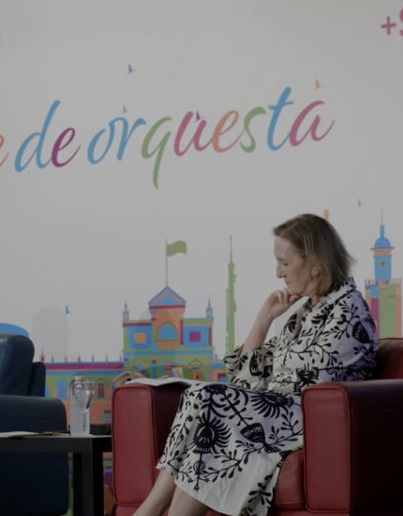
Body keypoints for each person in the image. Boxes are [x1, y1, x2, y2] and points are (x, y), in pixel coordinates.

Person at [133, 214, 377, 516]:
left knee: (206, 397)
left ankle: (149, 509)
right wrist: (265, 318)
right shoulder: (303, 314)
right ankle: (155, 509)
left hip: (312, 420)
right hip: (278, 414)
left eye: (285, 263)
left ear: (315, 262)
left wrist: (251, 396)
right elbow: (246, 383)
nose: (278, 273)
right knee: (204, 411)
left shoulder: (348, 310)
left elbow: (312, 388)